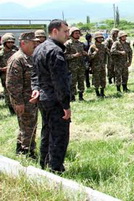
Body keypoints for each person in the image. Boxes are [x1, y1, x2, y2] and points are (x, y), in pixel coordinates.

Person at [31, 19, 71, 173]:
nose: (67, 34)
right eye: (65, 31)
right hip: (55, 100)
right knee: (59, 135)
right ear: (55, 31)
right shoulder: (55, 51)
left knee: (47, 132)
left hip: (43, 98)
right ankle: (55, 169)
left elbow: (34, 74)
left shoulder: (39, 48)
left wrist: (35, 88)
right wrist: (66, 106)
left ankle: (44, 164)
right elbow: (60, 82)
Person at [6, 32, 39, 158]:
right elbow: (12, 84)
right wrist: (18, 102)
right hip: (23, 100)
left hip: (30, 99)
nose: (35, 44)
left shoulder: (29, 57)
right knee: (28, 126)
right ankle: (27, 152)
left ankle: (21, 148)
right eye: (33, 42)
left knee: (28, 125)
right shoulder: (17, 59)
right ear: (23, 43)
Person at [64, 27, 87, 101]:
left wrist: (84, 54)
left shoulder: (81, 44)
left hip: (81, 65)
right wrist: (74, 55)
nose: (78, 35)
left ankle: (81, 96)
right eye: (76, 33)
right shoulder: (67, 44)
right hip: (72, 67)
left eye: (78, 33)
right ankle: (72, 97)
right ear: (71, 34)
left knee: (81, 81)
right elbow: (64, 56)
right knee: (72, 82)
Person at [0, 33, 18, 115]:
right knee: (7, 93)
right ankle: (12, 110)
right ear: (4, 43)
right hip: (5, 76)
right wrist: (3, 69)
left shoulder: (16, 51)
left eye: (12, 42)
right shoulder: (1, 53)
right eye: (8, 42)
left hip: (17, 75)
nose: (11, 44)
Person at [88, 32, 108, 97]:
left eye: (101, 38)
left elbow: (108, 54)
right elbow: (89, 57)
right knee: (96, 80)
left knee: (103, 79)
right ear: (96, 38)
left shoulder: (103, 46)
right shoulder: (92, 46)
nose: (100, 39)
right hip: (95, 66)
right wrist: (95, 52)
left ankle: (102, 92)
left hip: (102, 65)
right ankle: (97, 93)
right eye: (98, 38)